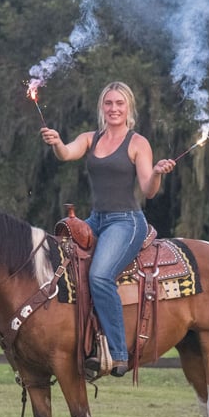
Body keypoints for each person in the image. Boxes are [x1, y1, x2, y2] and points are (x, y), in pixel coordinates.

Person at [40, 81, 176, 377]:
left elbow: (148, 191)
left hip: (126, 221)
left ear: (129, 108)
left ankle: (117, 353)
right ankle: (78, 338)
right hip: (97, 218)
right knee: (56, 258)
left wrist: (155, 174)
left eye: (119, 104)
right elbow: (66, 154)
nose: (114, 109)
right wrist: (57, 142)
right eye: (109, 103)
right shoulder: (91, 138)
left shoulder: (138, 143)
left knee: (100, 275)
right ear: (102, 107)